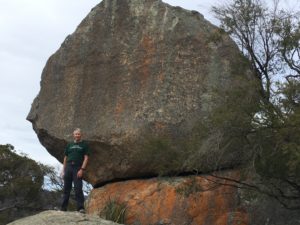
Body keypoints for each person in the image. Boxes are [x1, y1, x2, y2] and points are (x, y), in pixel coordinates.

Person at [60, 128, 90, 213]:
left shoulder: (84, 145)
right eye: (76, 134)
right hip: (69, 167)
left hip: (77, 167)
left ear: (81, 135)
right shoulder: (69, 144)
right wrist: (63, 170)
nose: (77, 135)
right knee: (66, 189)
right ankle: (63, 208)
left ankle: (80, 208)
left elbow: (86, 158)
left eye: (78, 134)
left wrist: (82, 169)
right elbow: (65, 157)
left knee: (78, 188)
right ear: (73, 135)